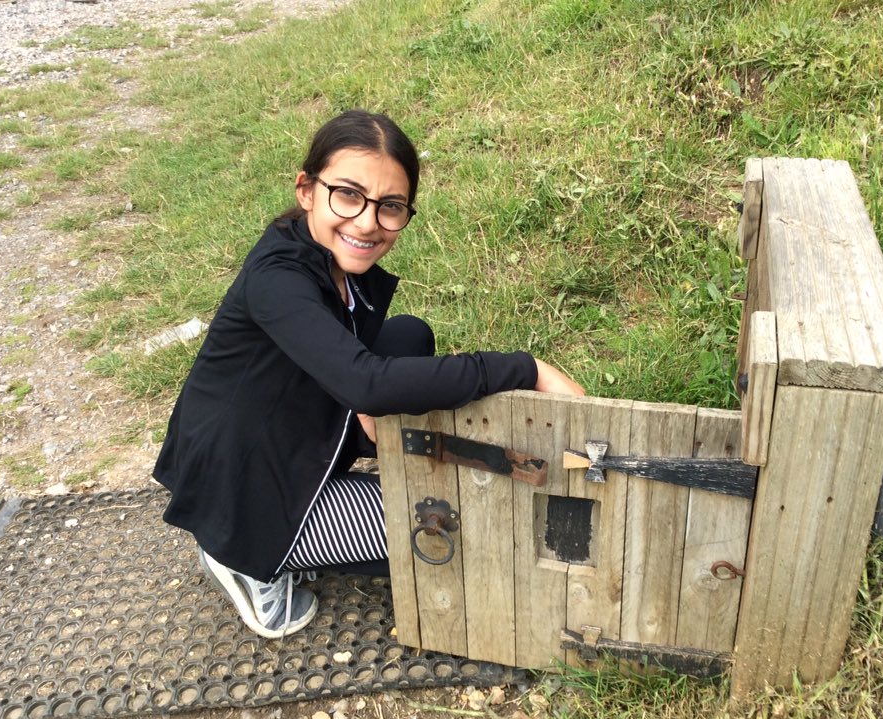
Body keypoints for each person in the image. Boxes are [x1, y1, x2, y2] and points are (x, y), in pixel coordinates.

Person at [153, 109, 584, 639]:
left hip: (284, 434)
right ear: (307, 189)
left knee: (406, 336)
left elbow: (362, 368)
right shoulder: (278, 279)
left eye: (390, 206)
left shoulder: (329, 261)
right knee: (462, 517)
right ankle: (241, 559)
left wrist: (363, 393)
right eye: (349, 195)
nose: (366, 222)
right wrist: (526, 369)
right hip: (247, 491)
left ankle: (327, 513)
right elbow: (366, 382)